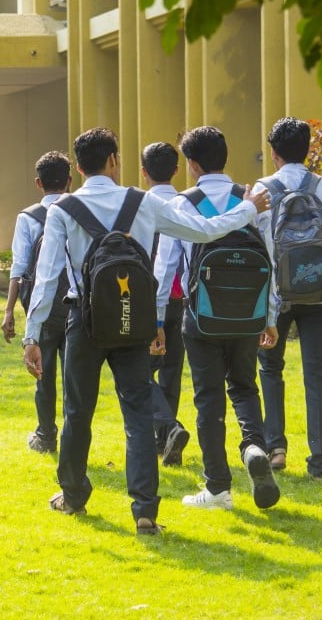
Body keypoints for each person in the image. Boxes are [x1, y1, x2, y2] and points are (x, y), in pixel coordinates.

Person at [22, 127, 270, 534]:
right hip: (132, 321)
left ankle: (73, 495)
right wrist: (247, 208)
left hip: (84, 320)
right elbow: (205, 231)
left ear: (78, 168)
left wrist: (33, 335)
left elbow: (47, 278)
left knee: (77, 411)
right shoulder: (143, 202)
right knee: (138, 414)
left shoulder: (63, 209)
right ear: (114, 161)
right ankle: (144, 511)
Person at [155, 127, 280, 510]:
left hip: (201, 316)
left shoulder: (182, 204)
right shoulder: (252, 198)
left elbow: (166, 267)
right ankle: (254, 447)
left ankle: (217, 489)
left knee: (208, 397)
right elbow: (269, 260)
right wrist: (270, 315)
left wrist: (157, 319)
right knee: (244, 387)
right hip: (248, 314)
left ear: (192, 164)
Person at [254, 117, 322, 481]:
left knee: (270, 368)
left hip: (275, 296)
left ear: (273, 153)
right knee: (316, 374)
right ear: (308, 149)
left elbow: (255, 248)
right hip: (318, 295)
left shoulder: (262, 190)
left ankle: (276, 449)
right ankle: (319, 461)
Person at [2, 151, 72, 453]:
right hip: (76, 305)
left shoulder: (28, 217)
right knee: (74, 376)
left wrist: (9, 311)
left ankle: (45, 435)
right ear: (70, 181)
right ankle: (73, 436)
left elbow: (19, 268)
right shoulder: (79, 212)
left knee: (42, 371)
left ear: (38, 183)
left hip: (40, 306)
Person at [140, 143, 190, 466]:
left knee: (140, 371)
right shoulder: (187, 204)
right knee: (172, 371)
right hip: (181, 299)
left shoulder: (137, 207)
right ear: (176, 170)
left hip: (149, 299)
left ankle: (168, 427)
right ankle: (166, 442)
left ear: (143, 172)